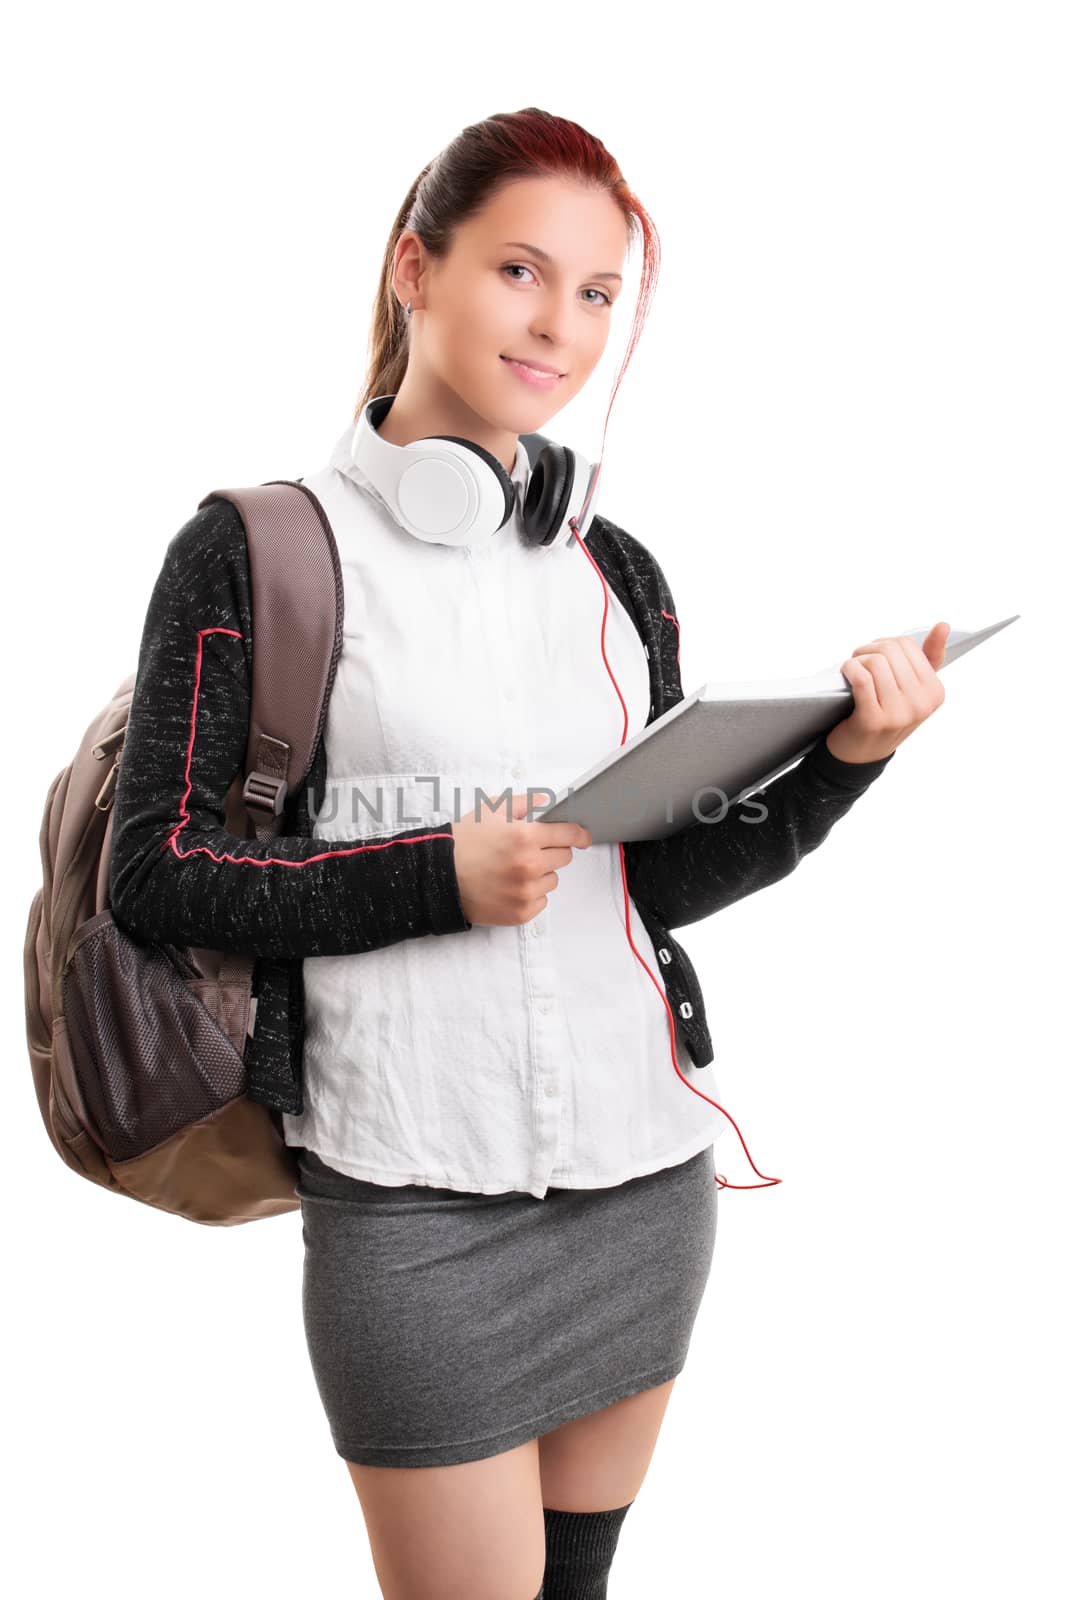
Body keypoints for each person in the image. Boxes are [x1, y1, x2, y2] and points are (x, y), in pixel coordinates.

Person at [109, 106, 948, 1600]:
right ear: (412, 269)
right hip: (412, 1203)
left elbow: (663, 878)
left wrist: (844, 763)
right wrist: (439, 876)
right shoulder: (257, 551)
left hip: (641, 1179)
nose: (561, 324)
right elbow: (158, 877)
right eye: (519, 270)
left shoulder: (614, 570)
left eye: (600, 293)